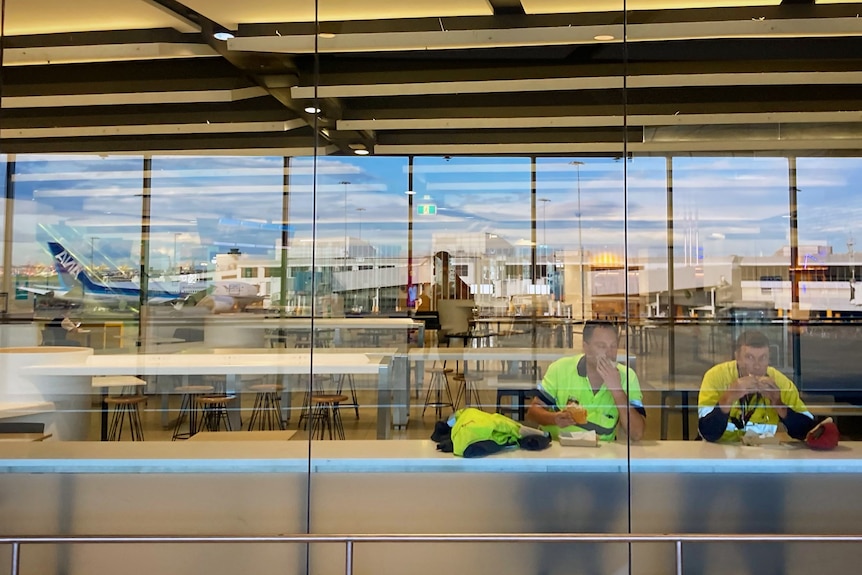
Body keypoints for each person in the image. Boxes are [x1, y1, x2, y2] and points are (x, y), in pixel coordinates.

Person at [526, 320, 646, 441]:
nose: (609, 353)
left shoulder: (627, 377)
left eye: (613, 346)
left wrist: (617, 391)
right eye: (601, 346)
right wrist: (554, 418)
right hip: (558, 450)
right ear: (586, 347)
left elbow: (636, 434)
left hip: (601, 454)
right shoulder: (560, 368)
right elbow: (532, 413)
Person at [698, 330, 816, 442]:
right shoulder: (716, 377)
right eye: (749, 357)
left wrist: (778, 404)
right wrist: (728, 398)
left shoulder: (779, 382)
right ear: (737, 358)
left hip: (762, 455)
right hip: (720, 453)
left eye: (763, 358)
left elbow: (809, 431)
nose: (757, 366)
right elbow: (708, 432)